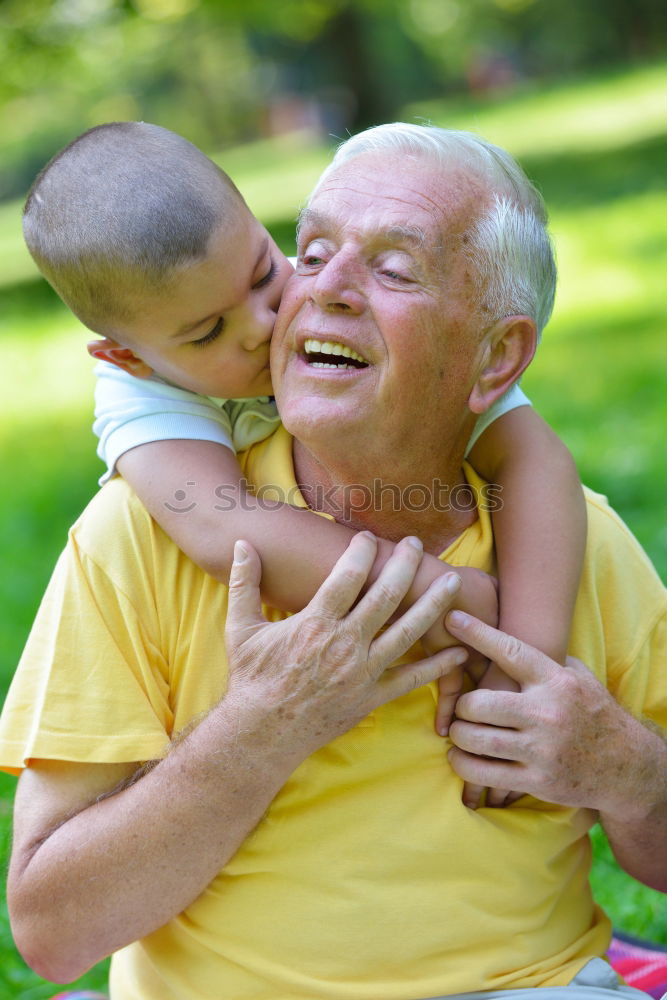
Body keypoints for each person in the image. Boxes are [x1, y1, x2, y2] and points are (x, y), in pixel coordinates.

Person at [2, 123, 666, 1000]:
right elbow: (50, 936)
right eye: (313, 250)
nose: (315, 295)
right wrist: (265, 725)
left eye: (394, 269)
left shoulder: (571, 538)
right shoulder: (141, 528)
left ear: (494, 356)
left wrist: (625, 769)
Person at [21, 123, 586, 780]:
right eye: (209, 334)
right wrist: (455, 603)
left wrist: (523, 667)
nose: (264, 327)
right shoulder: (139, 397)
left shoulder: (371, 320)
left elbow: (534, 461)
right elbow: (222, 526)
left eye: (267, 274)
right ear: (129, 356)